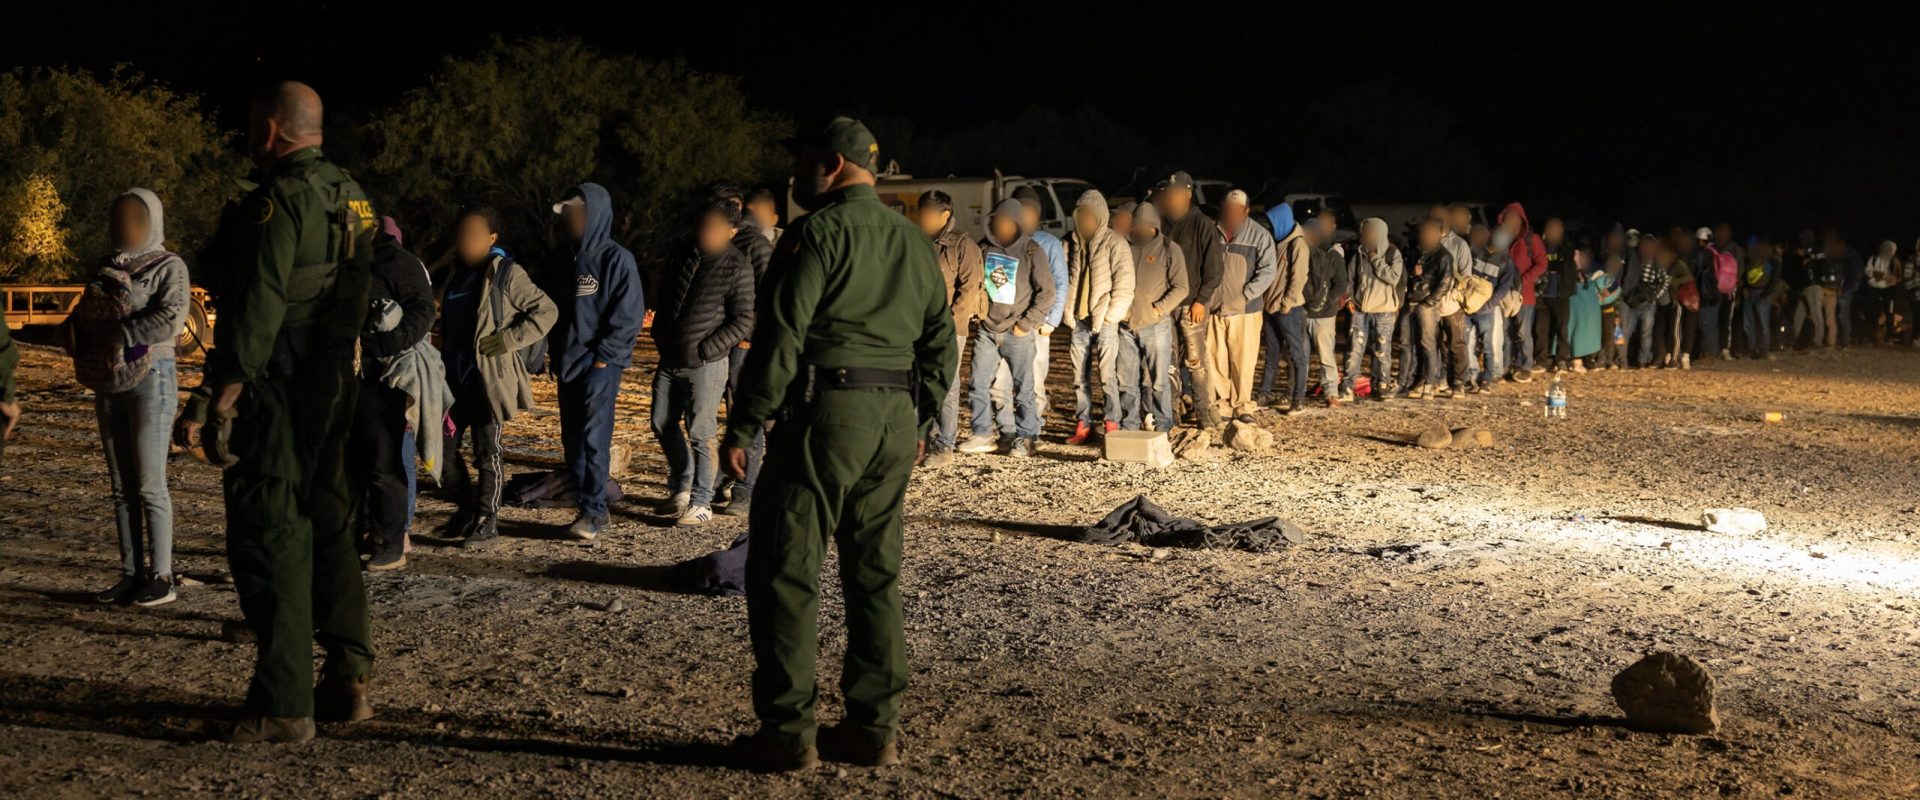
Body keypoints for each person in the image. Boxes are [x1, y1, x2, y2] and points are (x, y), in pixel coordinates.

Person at [720, 115, 957, 771]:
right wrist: (919, 417)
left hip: (826, 416)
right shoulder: (913, 242)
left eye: (803, 162)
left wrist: (746, 422)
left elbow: (781, 337)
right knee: (875, 576)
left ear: (832, 164)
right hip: (893, 420)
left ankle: (788, 733)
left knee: (786, 572)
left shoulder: (815, 233)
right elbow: (942, 343)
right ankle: (873, 728)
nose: (794, 174)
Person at [175, 82, 378, 743]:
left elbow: (259, 302)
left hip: (280, 387)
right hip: (335, 381)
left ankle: (284, 703)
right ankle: (348, 678)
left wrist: (222, 391)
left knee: (271, 532)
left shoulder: (279, 199)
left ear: (270, 130)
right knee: (330, 524)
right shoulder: (353, 195)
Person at [82, 188, 189, 607]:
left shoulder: (169, 266)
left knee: (149, 484)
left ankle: (162, 577)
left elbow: (172, 320)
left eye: (135, 218)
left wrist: (120, 334)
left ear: (154, 222)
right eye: (118, 217)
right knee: (121, 487)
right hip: (110, 380)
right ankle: (130, 574)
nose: (124, 226)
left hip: (153, 378)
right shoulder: (108, 268)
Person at [439, 207, 557, 548]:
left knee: (487, 452)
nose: (466, 239)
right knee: (440, 448)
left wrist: (509, 340)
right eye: (462, 232)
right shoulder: (455, 273)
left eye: (475, 233)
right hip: (453, 379)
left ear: (492, 238)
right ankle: (466, 507)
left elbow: (547, 310)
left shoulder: (505, 273)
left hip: (487, 380)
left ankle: (487, 519)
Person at [650, 198, 756, 526]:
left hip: (706, 364)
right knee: (661, 422)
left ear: (732, 231)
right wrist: (660, 334)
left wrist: (708, 350)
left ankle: (701, 501)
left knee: (701, 431)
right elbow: (666, 297)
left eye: (713, 228)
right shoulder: (685, 255)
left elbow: (743, 320)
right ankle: (682, 487)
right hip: (670, 357)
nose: (705, 232)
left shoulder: (737, 266)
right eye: (703, 225)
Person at [550, 182, 645, 541]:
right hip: (568, 364)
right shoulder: (561, 259)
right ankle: (592, 507)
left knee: (594, 440)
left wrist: (605, 357)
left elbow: (629, 314)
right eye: (568, 213)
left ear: (596, 214)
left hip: (600, 366)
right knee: (572, 443)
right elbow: (552, 311)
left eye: (578, 212)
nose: (571, 219)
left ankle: (592, 512)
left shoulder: (617, 259)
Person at [351, 218, 436, 570]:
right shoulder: (342, 258)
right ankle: (354, 536)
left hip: (383, 377)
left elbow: (423, 311)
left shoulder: (397, 261)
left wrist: (383, 345)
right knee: (350, 463)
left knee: (384, 462)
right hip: (347, 376)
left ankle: (391, 542)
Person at [960, 199, 1054, 457]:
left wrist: (1025, 324)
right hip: (988, 330)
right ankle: (982, 433)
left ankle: (1027, 437)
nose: (1000, 226)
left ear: (1016, 222)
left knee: (1024, 389)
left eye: (1005, 221)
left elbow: (1047, 293)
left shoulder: (1032, 250)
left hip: (1017, 331)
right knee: (978, 384)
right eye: (996, 221)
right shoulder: (983, 248)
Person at [990, 186, 1067, 433]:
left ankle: (1032, 427)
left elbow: (1059, 283)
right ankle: (1006, 429)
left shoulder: (1048, 243)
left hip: (1035, 323)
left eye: (1031, 212)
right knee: (1000, 381)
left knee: (1033, 381)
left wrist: (1051, 321)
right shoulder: (1000, 243)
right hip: (1006, 324)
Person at [1151, 171, 1224, 428]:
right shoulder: (1161, 222)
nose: (1171, 198)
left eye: (1176, 193)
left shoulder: (1202, 224)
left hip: (1191, 304)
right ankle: (1171, 411)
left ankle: (1202, 410)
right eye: (1168, 193)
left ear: (1188, 194)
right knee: (1168, 360)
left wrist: (1202, 300)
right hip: (1165, 303)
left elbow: (1215, 268)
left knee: (1195, 360)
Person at [918, 190, 985, 468]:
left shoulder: (963, 246)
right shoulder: (919, 242)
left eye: (928, 214)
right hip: (919, 327)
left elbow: (968, 291)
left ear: (945, 215)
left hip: (949, 328)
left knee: (945, 386)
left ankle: (944, 444)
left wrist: (948, 325)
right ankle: (923, 440)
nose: (922, 218)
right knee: (920, 384)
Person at [1062, 189, 1134, 443]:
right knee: (1079, 377)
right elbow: (1064, 279)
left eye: (1089, 216)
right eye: (1080, 216)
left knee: (1107, 375)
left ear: (1100, 216)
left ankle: (1112, 421)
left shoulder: (1115, 243)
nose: (1084, 221)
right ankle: (1083, 423)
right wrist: (1067, 312)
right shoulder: (1071, 243)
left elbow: (1125, 283)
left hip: (1104, 319)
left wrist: (1111, 316)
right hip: (1079, 319)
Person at [1117, 202, 1187, 431]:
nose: (1143, 231)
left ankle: (1163, 424)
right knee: (1126, 380)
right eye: (1139, 226)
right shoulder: (1124, 247)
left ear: (1155, 226)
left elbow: (1181, 286)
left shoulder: (1169, 249)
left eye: (1148, 227)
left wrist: (1158, 309)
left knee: (1158, 380)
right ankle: (1129, 424)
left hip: (1156, 325)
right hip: (1125, 325)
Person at [1209, 190, 1274, 421]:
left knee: (1243, 361)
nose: (1231, 213)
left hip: (1245, 310)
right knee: (1215, 358)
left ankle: (1242, 405)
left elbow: (1268, 271)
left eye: (1236, 210)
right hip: (1214, 308)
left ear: (1246, 211)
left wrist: (1246, 295)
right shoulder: (1212, 231)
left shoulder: (1260, 235)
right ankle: (1222, 404)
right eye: (1227, 208)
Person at [1340, 217, 1403, 402]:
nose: (1365, 236)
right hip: (1360, 309)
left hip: (1384, 310)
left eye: (1370, 232)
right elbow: (1350, 279)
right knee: (1354, 349)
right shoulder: (1359, 254)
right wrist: (1350, 298)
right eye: (1364, 232)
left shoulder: (1393, 254)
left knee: (1381, 350)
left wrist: (1375, 258)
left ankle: (1381, 385)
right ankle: (1347, 387)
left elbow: (1393, 277)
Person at [1260, 202, 1312, 412]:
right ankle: (1263, 394)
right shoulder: (1278, 242)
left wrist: (1286, 303)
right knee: (1271, 354)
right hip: (1271, 308)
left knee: (1296, 356)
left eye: (1272, 222)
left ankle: (1298, 399)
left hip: (1289, 310)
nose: (1270, 227)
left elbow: (1299, 277)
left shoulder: (1297, 244)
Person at [1407, 219, 1468, 398]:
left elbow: (1446, 282)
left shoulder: (1445, 255)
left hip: (1447, 304)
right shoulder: (1419, 252)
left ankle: (1456, 383)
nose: (1424, 236)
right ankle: (1428, 380)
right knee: (1427, 344)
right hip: (1427, 303)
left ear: (1438, 234)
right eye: (1423, 233)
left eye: (1429, 233)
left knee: (1452, 344)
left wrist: (1430, 301)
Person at [1299, 213, 1348, 407]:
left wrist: (1326, 301)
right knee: (1300, 355)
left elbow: (1341, 284)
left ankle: (1331, 392)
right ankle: (1298, 392)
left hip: (1325, 315)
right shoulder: (1302, 252)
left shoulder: (1332, 254)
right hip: (1303, 310)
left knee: (1326, 355)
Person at [1498, 203, 1547, 381]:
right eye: (1507, 218)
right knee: (1504, 332)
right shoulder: (1500, 238)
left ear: (1522, 220)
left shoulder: (1531, 239)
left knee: (1523, 333)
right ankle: (1505, 366)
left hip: (1524, 294)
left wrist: (1524, 279)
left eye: (1514, 218)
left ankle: (1525, 366)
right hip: (1503, 293)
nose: (1511, 221)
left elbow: (1542, 263)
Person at [1467, 223, 1514, 390]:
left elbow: (1503, 288)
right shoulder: (1476, 253)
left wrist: (1489, 304)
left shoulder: (1506, 262)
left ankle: (1490, 375)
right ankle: (1472, 374)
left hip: (1487, 309)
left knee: (1490, 343)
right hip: (1469, 306)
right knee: (1468, 342)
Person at [1531, 218, 1576, 372]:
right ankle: (1541, 361)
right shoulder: (1540, 247)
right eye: (1550, 228)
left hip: (1560, 295)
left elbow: (1567, 267)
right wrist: (1552, 267)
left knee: (1562, 329)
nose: (1552, 232)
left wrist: (1549, 267)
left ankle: (1561, 359)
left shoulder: (1567, 248)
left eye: (1556, 229)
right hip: (1542, 295)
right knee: (1540, 330)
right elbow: (1540, 265)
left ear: (1561, 231)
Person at [1619, 235, 1668, 368]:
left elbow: (1665, 280)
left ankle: (1643, 360)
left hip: (1648, 303)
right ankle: (1622, 360)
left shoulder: (1656, 263)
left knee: (1645, 333)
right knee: (1627, 331)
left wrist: (1655, 296)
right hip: (1633, 302)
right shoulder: (1634, 259)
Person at [1566, 247, 1604, 372]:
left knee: (1585, 334)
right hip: (1575, 309)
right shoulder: (1570, 273)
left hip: (1586, 311)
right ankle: (1575, 361)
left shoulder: (1591, 274)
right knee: (1575, 333)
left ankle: (1587, 360)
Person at [1741, 237, 1778, 359]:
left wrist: (1766, 293)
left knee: (1763, 324)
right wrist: (1745, 288)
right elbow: (1746, 276)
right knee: (1748, 323)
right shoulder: (1750, 260)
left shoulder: (1770, 260)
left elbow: (1774, 279)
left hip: (1762, 292)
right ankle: (1752, 350)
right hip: (1751, 293)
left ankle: (1764, 351)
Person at [1864, 240, 1901, 344]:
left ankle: (1889, 337)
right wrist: (1876, 275)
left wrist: (1887, 278)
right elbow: (1867, 271)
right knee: (1873, 312)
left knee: (1889, 313)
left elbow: (1898, 277)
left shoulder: (1895, 261)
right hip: (1874, 289)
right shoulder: (1874, 259)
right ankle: (1872, 336)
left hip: (1889, 290)